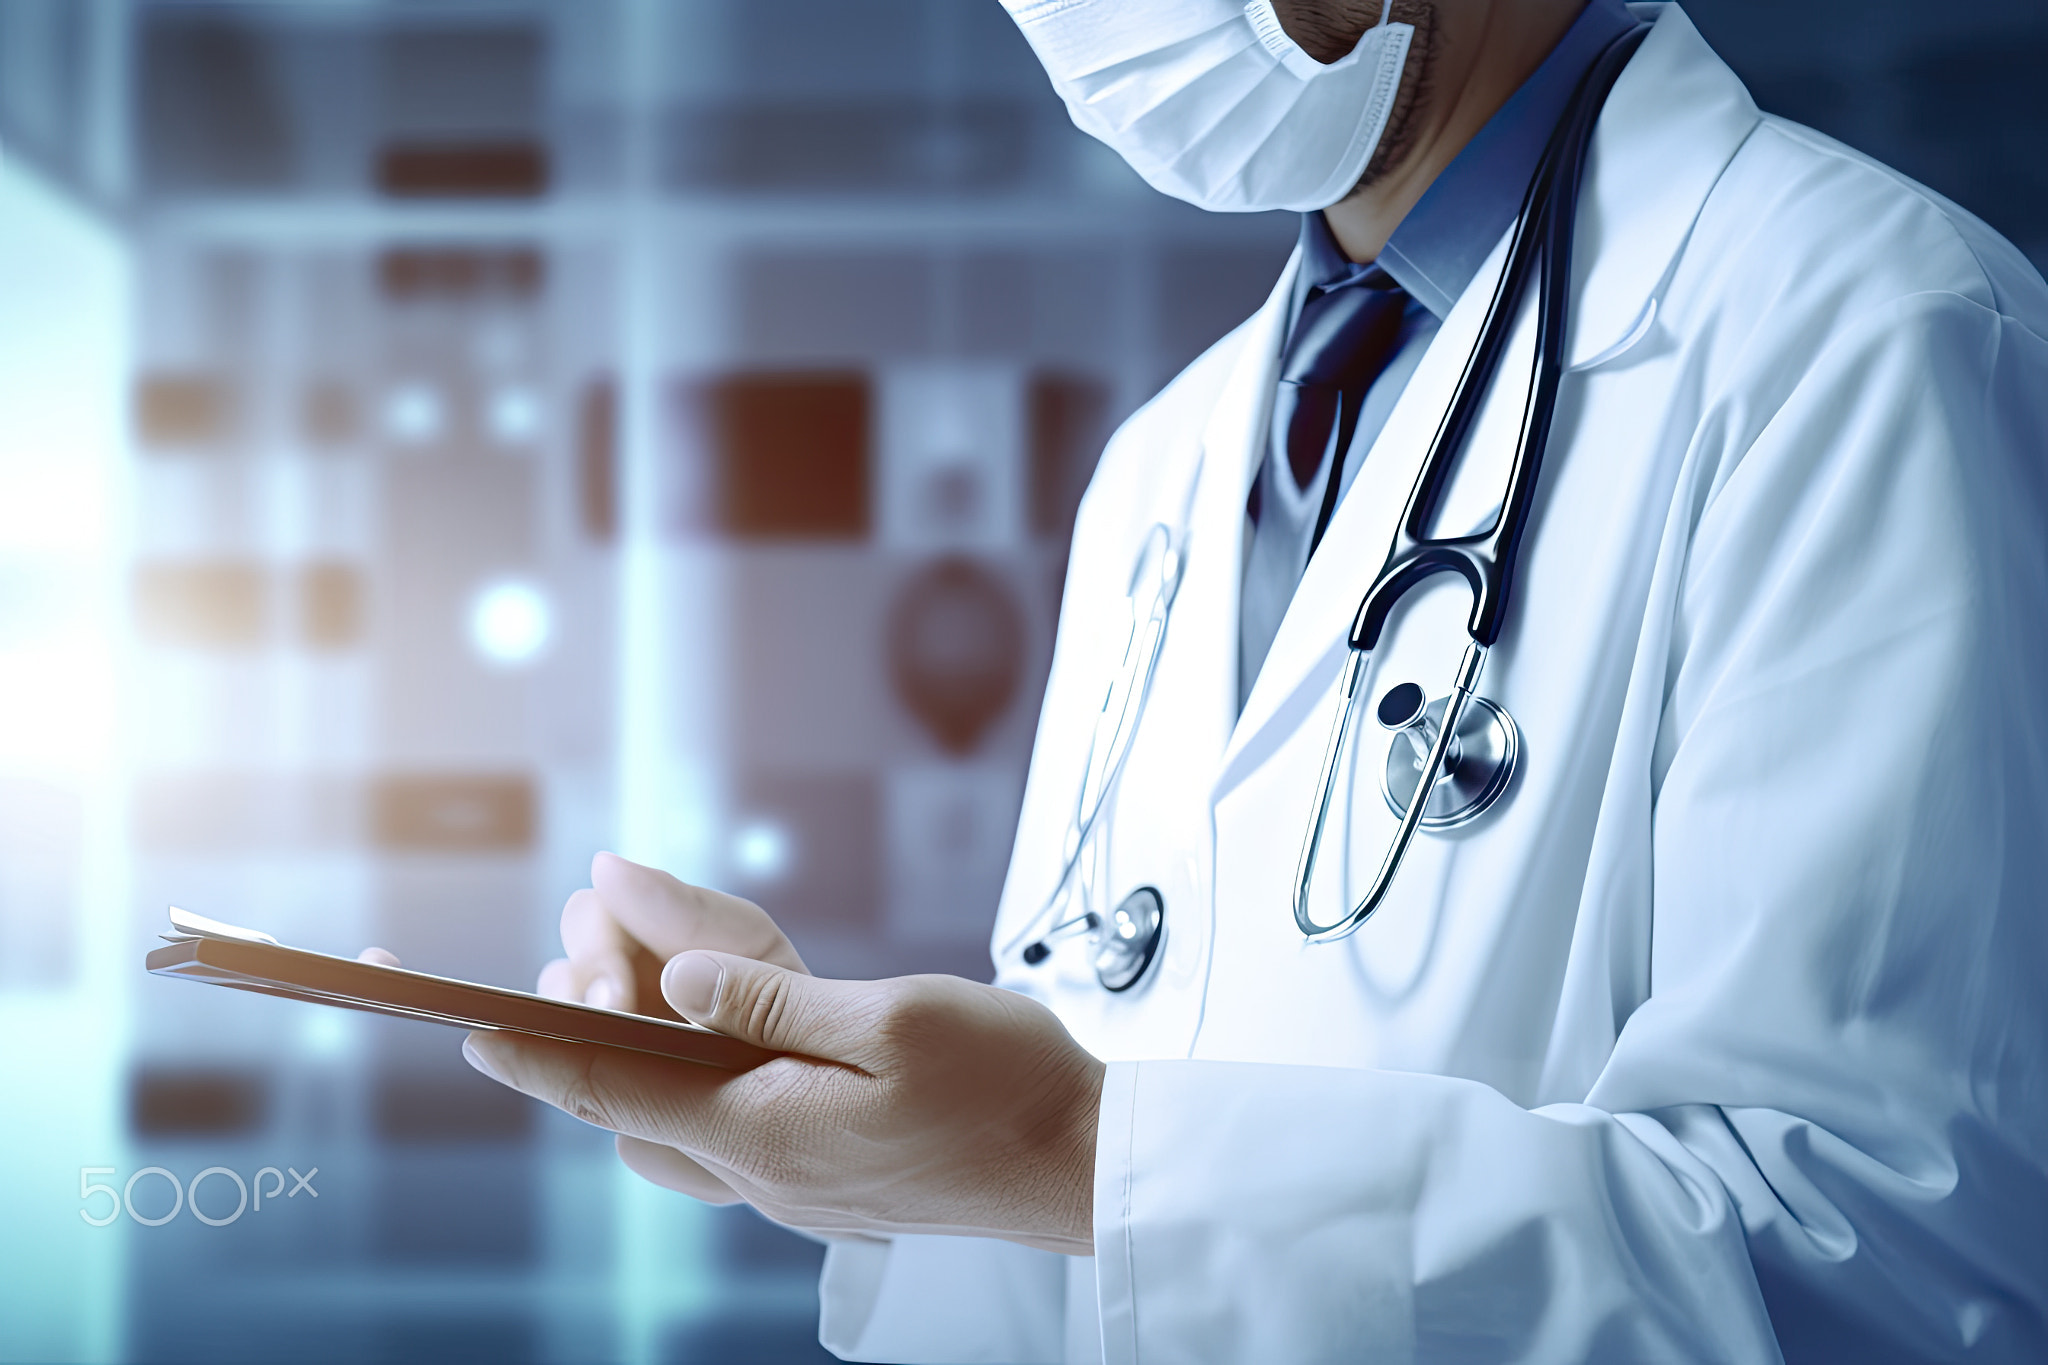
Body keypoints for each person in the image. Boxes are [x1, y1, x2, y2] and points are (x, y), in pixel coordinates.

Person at [456, 1, 2048, 1359]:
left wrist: (1072, 1149)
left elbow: (1880, 1279)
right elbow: (1126, 1257)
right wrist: (862, 1148)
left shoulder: (1861, 334)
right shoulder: (1168, 463)